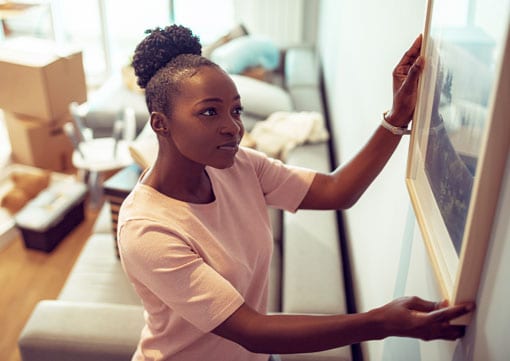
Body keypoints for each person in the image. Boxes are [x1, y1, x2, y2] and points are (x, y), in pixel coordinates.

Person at [117, 25, 474, 361]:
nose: (233, 127)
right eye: (209, 112)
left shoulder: (240, 166)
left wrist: (398, 115)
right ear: (160, 123)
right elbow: (251, 330)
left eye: (235, 110)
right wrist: (381, 322)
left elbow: (337, 191)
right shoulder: (147, 229)